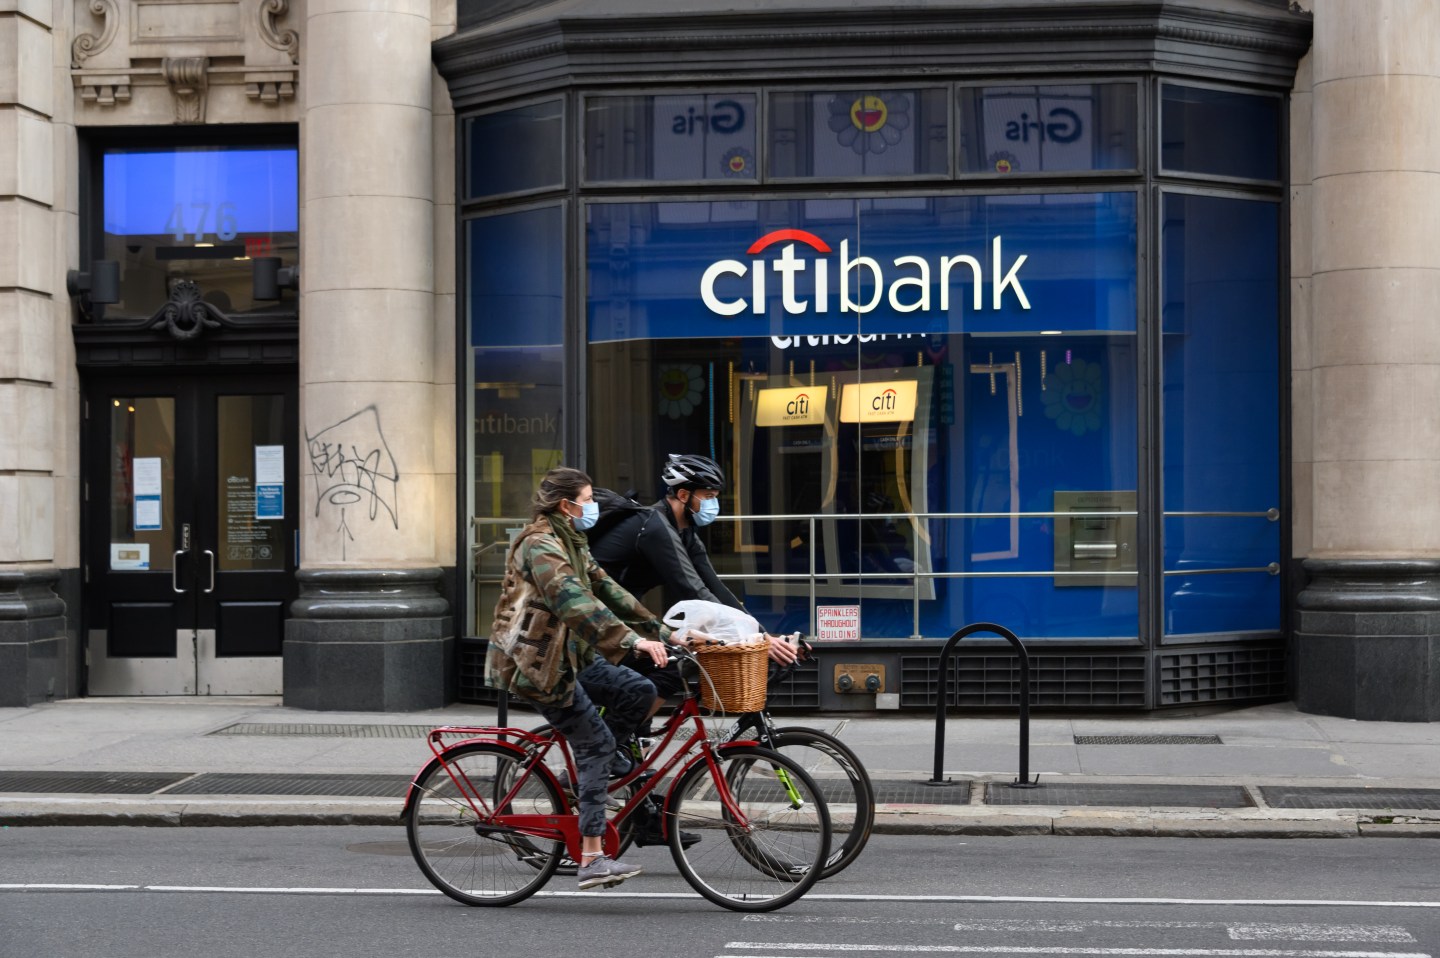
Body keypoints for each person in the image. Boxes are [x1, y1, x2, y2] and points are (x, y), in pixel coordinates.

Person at [485, 466, 674, 890]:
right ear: (566, 505)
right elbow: (573, 603)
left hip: (571, 655)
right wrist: (630, 641)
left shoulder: (572, 540)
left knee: (640, 691)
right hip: (537, 665)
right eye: (587, 500)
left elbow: (607, 590)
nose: (593, 507)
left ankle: (592, 772)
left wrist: (662, 631)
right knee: (597, 743)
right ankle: (591, 857)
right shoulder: (540, 546)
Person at [588, 453, 800, 708]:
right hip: (598, 624)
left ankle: (633, 735)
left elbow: (716, 587)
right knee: (670, 668)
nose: (714, 504)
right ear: (683, 495)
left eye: (715, 497)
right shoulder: (655, 527)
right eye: (708, 496)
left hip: (626, 619)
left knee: (672, 667)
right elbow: (693, 589)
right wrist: (759, 638)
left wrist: (763, 634)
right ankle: (622, 738)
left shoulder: (684, 532)